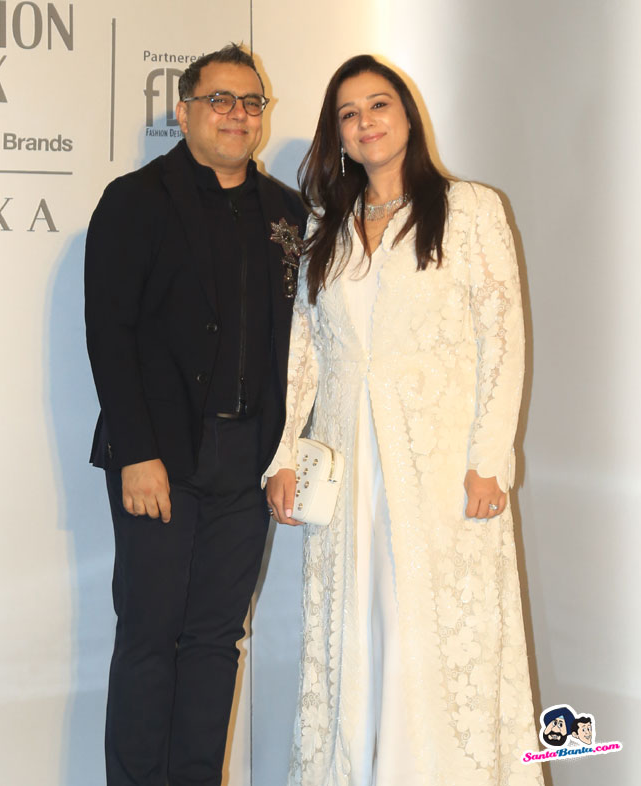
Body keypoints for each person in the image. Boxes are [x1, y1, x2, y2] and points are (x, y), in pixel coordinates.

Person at [266, 54, 542, 785]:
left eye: (378, 105)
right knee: (356, 626)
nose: (366, 122)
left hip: (440, 467)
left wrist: (490, 459)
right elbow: (305, 348)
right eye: (349, 114)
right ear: (338, 135)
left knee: (433, 629)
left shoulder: (471, 209)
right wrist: (284, 454)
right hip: (348, 468)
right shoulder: (326, 226)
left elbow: (503, 338)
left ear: (408, 116)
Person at [85, 43, 306, 785]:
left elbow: (300, 345)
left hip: (248, 461)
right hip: (161, 457)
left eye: (251, 102)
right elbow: (109, 333)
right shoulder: (135, 200)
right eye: (220, 100)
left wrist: (285, 453)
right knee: (149, 637)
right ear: (184, 112)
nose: (237, 114)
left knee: (216, 640)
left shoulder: (287, 212)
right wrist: (136, 452)